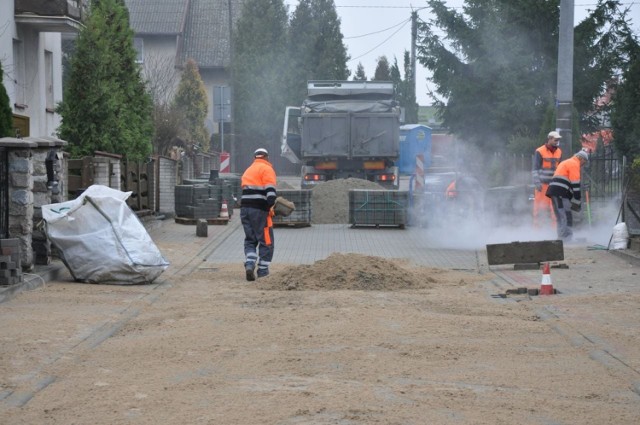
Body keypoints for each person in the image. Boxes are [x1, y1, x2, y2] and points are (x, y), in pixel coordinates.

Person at [240, 148, 277, 281]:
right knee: (266, 240)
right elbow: (271, 193)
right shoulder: (267, 169)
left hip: (245, 210)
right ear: (267, 157)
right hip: (260, 211)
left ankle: (249, 264)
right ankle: (262, 270)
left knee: (250, 239)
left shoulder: (248, 170)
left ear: (255, 157)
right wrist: (272, 207)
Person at [545, 150, 589, 241]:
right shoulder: (574, 164)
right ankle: (565, 238)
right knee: (565, 215)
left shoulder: (566, 162)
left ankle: (563, 238)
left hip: (555, 192)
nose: (583, 165)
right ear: (580, 158)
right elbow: (575, 184)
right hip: (560, 193)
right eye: (584, 162)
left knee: (560, 216)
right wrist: (577, 201)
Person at [532, 131, 563, 227]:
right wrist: (537, 181)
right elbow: (535, 169)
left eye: (558, 140)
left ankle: (555, 231)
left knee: (555, 210)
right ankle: (538, 232)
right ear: (549, 139)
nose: (557, 142)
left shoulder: (559, 151)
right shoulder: (540, 151)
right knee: (540, 209)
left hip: (554, 185)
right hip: (542, 185)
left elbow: (560, 168)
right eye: (555, 140)